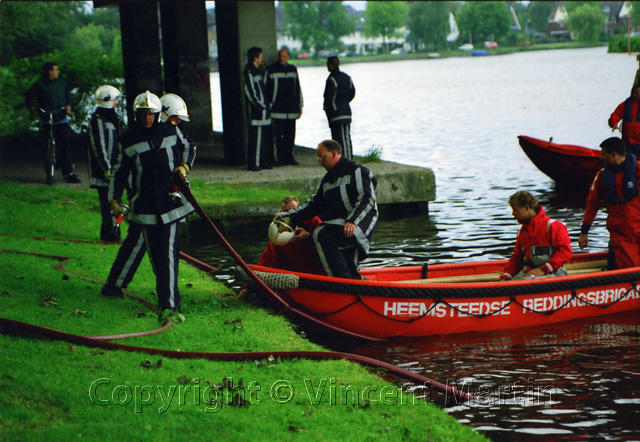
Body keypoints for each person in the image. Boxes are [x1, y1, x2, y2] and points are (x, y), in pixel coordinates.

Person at [104, 91, 196, 323]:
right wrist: (113, 200)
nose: (147, 118)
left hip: (170, 204)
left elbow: (190, 147)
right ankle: (117, 286)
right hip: (144, 207)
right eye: (143, 114)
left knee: (167, 256)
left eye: (151, 114)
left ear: (158, 114)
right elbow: (118, 172)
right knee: (152, 254)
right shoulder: (128, 141)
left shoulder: (171, 131)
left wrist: (185, 166)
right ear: (137, 115)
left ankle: (169, 305)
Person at [276, 140, 377, 280]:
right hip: (341, 225)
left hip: (360, 222)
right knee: (347, 262)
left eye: (321, 158)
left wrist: (352, 221)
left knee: (322, 233)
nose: (319, 162)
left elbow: (367, 199)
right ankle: (353, 286)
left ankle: (341, 284)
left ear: (334, 153)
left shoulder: (358, 171)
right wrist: (287, 217)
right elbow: (313, 206)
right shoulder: (327, 180)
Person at [578, 136, 640, 269]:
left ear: (613, 154)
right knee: (631, 268)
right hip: (621, 234)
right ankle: (614, 259)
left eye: (603, 155)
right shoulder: (601, 177)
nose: (601, 158)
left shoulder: (638, 170)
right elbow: (592, 204)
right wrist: (584, 232)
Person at [25, 61, 80, 184]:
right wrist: (32, 107)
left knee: (65, 146)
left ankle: (69, 173)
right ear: (50, 71)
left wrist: (69, 105)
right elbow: (29, 98)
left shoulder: (61, 84)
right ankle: (49, 172)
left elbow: (69, 97)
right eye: (56, 69)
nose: (58, 72)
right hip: (48, 119)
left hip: (61, 118)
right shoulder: (39, 85)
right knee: (48, 146)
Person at [501, 191, 572, 280]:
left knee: (523, 284)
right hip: (529, 272)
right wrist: (507, 275)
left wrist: (544, 269)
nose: (513, 214)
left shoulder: (553, 226)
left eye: (516, 210)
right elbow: (516, 259)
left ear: (527, 208)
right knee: (506, 285)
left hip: (553, 272)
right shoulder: (522, 232)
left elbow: (565, 252)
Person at [88, 85, 122, 241]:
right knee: (107, 206)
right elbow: (98, 146)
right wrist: (107, 169)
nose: (116, 104)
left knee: (116, 204)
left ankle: (114, 234)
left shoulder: (112, 119)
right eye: (115, 101)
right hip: (104, 172)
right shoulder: (98, 120)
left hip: (114, 171)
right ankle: (108, 236)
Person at [266, 47, 303, 166]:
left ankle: (289, 157)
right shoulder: (271, 70)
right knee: (277, 136)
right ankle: (279, 158)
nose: (281, 58)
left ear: (288, 57)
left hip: (291, 109)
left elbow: (298, 87)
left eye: (284, 56)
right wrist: (269, 105)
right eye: (280, 56)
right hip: (277, 110)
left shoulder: (293, 69)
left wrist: (300, 104)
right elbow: (266, 89)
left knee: (290, 135)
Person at [243, 46, 273, 171]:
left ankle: (262, 162)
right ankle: (253, 163)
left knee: (264, 139)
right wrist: (261, 106)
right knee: (256, 140)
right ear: (255, 58)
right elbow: (250, 92)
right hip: (257, 113)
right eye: (260, 56)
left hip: (264, 112)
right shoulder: (249, 71)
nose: (262, 58)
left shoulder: (257, 71)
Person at [323, 56, 355, 159]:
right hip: (345, 111)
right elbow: (352, 93)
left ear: (331, 65)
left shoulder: (331, 79)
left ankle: (345, 160)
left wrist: (330, 109)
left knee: (339, 138)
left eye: (328, 64)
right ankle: (345, 159)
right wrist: (344, 102)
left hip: (336, 113)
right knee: (345, 137)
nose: (327, 66)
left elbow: (328, 97)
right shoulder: (347, 77)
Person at [608, 85, 640, 156]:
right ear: (635, 94)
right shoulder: (625, 105)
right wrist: (614, 123)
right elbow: (616, 115)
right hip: (628, 141)